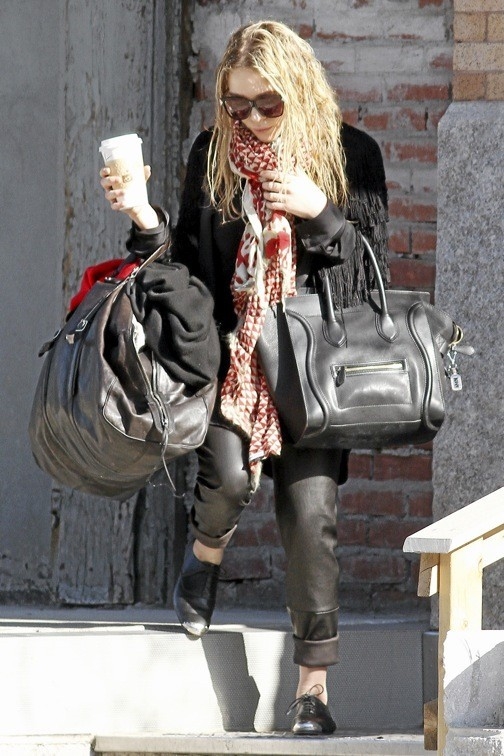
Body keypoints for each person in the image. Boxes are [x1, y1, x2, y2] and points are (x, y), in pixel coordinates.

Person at [100, 19, 389, 736]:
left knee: (311, 515)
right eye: (237, 104)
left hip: (315, 369)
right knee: (227, 480)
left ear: (300, 92)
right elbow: (184, 268)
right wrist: (142, 215)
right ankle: (205, 558)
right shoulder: (213, 154)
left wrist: (318, 211)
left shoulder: (351, 156)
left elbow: (369, 275)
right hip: (234, 358)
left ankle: (312, 689)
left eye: (268, 104)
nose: (251, 118)